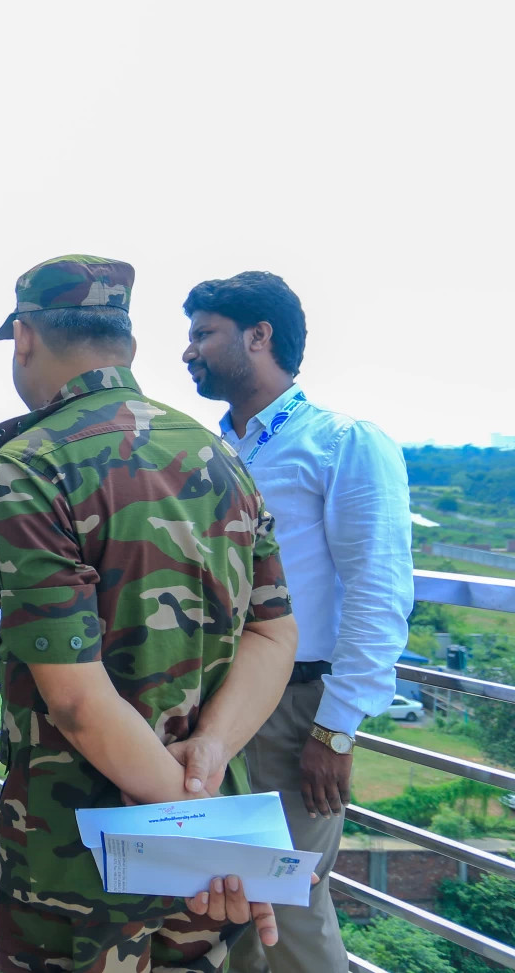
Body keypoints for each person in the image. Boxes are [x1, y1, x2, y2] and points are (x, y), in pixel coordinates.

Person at [0, 255, 300, 973]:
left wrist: (188, 817)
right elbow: (274, 629)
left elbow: (76, 700)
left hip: (79, 852)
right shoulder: (216, 453)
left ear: (24, 337)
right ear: (125, 340)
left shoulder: (29, 460)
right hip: (205, 845)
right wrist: (207, 774)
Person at [182, 270, 414, 973]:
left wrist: (335, 728)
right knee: (225, 902)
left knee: (290, 907)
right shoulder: (209, 449)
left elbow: (378, 590)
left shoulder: (340, 442)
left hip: (294, 712)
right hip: (211, 707)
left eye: (203, 334)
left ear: (259, 336)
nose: (188, 352)